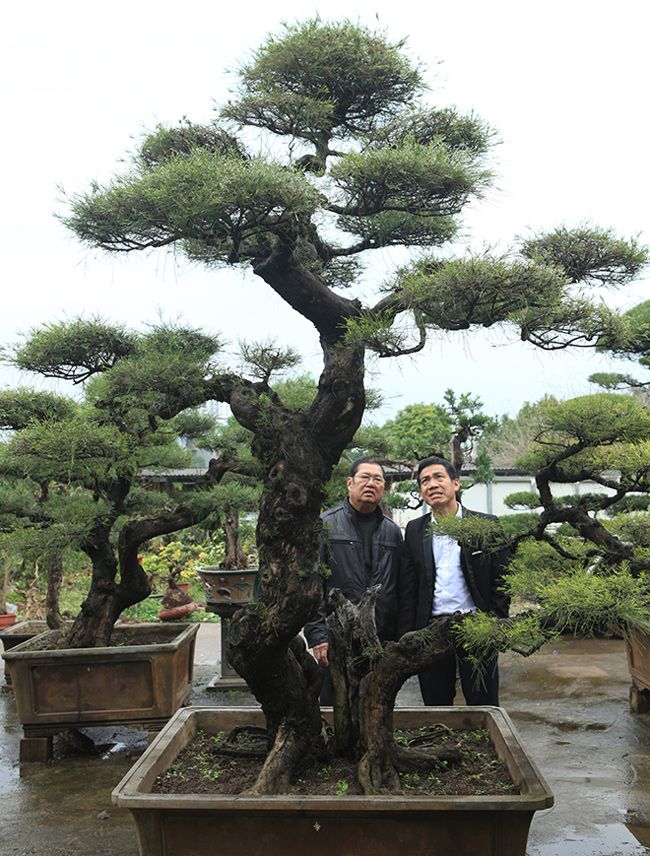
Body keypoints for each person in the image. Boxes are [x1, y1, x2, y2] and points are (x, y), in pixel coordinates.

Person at [398, 456, 511, 705]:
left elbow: (502, 577)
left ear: (455, 484)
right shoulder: (415, 530)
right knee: (435, 705)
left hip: (476, 626)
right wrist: (411, 635)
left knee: (484, 702)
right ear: (421, 491)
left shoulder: (486, 525)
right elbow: (408, 588)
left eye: (439, 477)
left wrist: (494, 623)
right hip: (432, 628)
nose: (432, 484)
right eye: (425, 480)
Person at [304, 457, 403, 704]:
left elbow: (399, 586)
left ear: (384, 487)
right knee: (334, 703)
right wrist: (318, 636)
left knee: (376, 705)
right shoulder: (326, 525)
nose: (371, 483)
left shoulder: (392, 530)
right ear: (350, 483)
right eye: (364, 478)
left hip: (379, 637)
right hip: (336, 635)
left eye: (377, 479)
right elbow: (311, 584)